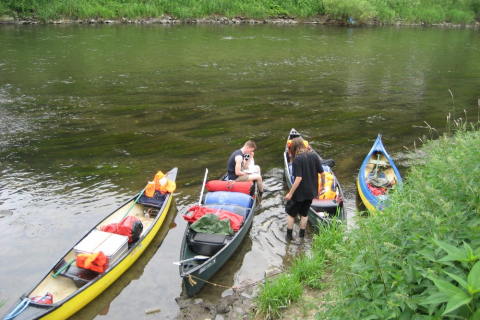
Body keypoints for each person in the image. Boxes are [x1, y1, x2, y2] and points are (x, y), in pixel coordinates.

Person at [284, 137, 325, 240]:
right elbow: (323, 174)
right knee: (304, 213)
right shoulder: (314, 156)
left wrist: (290, 193)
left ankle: (289, 236)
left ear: (293, 147)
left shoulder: (297, 159)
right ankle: (301, 236)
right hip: (311, 191)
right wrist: (322, 187)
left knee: (291, 213)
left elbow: (298, 179)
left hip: (299, 193)